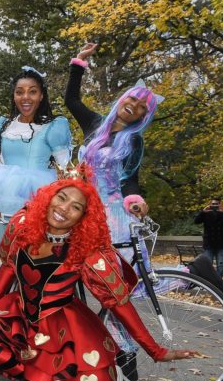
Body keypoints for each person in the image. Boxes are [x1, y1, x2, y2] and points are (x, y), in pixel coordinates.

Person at [0, 170, 198, 381]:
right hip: (21, 317)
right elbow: (9, 268)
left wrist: (155, 350)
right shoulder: (22, 225)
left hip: (59, 332)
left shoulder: (87, 252)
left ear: (83, 218)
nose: (64, 209)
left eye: (75, 207)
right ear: (48, 197)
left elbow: (118, 304)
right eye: (61, 198)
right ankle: (40, 380)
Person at [64, 43, 161, 244]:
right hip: (80, 205)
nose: (134, 106)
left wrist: (134, 200)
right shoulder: (94, 123)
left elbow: (130, 178)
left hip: (112, 213)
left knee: (112, 265)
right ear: (123, 99)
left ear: (144, 116)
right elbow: (72, 100)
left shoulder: (134, 140)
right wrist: (79, 62)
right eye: (132, 99)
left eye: (142, 107)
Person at [0, 66, 72, 216]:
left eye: (33, 91)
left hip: (39, 195)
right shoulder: (3, 124)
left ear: (41, 96)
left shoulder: (54, 126)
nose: (25, 97)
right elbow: (2, 161)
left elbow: (65, 168)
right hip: (2, 194)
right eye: (19, 92)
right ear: (14, 96)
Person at [194, 197, 223, 278]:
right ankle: (209, 280)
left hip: (221, 244)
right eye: (213, 204)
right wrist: (203, 212)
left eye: (216, 204)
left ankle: (219, 281)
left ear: (220, 204)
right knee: (209, 264)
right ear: (210, 204)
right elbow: (196, 221)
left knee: (220, 264)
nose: (214, 206)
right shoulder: (206, 214)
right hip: (209, 243)